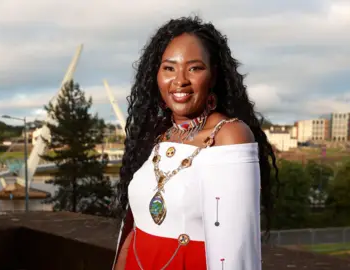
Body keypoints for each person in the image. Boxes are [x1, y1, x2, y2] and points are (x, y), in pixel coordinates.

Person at [113, 16, 277, 270]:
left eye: (194, 68)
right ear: (155, 75)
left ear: (213, 76)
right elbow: (135, 229)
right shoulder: (159, 137)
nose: (180, 81)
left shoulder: (230, 135)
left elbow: (236, 250)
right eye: (169, 68)